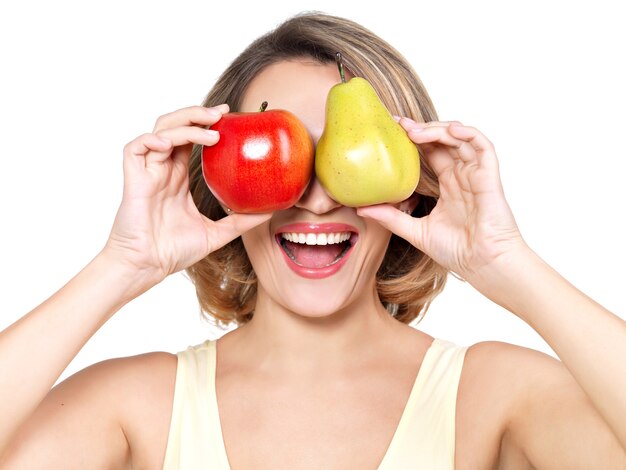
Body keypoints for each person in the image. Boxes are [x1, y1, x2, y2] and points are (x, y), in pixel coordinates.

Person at [1, 11, 625, 469]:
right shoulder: (137, 406)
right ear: (219, 185)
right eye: (283, 157)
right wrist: (122, 265)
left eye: (344, 158)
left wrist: (509, 263)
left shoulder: (494, 395)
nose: (316, 197)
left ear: (409, 184)